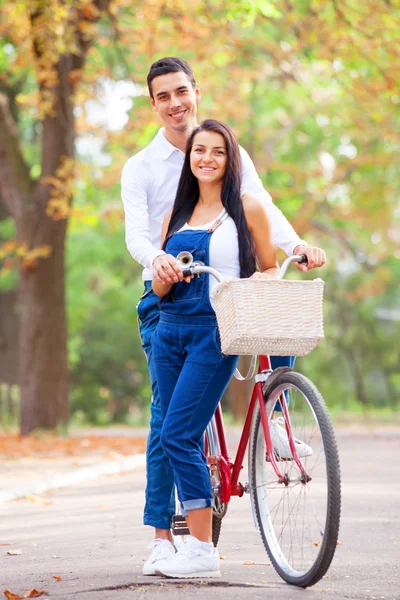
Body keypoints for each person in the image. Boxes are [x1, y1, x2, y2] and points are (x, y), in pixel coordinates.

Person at [120, 57, 326, 576]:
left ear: (196, 91)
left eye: (181, 92)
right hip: (164, 299)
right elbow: (139, 236)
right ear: (153, 104)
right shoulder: (142, 168)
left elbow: (262, 208)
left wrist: (296, 242)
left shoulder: (230, 155)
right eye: (163, 96)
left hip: (222, 305)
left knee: (269, 304)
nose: (174, 103)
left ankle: (275, 418)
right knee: (165, 422)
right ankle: (163, 537)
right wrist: (158, 263)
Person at [150, 119, 278, 578]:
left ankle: (201, 551)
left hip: (215, 331)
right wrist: (163, 277)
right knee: (177, 434)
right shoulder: (175, 216)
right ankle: (190, 544)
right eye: (198, 150)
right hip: (169, 332)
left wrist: (247, 286)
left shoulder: (247, 208)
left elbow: (270, 269)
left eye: (217, 152)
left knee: (177, 434)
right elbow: (157, 291)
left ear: (231, 159)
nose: (206, 158)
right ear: (189, 158)